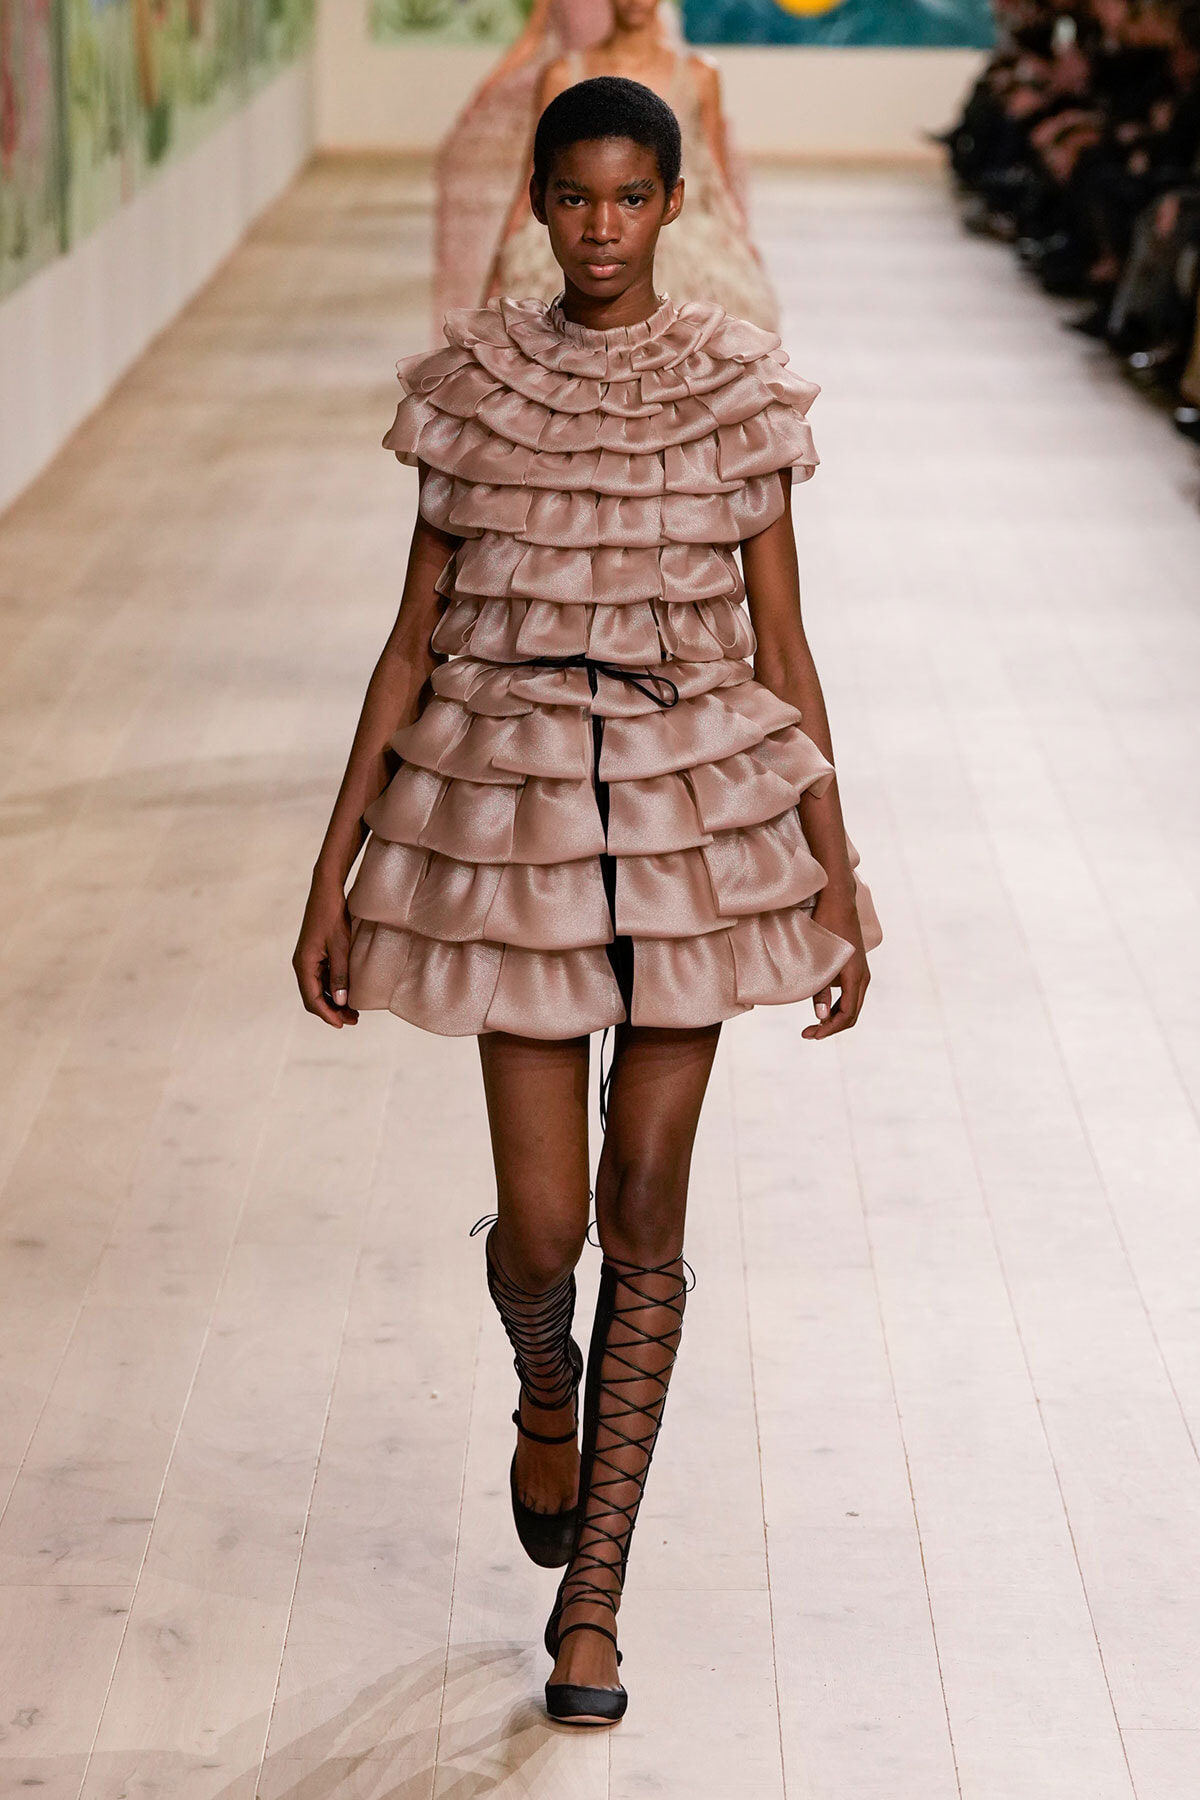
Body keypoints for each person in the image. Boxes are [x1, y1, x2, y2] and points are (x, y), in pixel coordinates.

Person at [294, 75, 879, 1728]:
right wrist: (331, 870)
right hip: (521, 822)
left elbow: (785, 644)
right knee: (544, 1227)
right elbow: (412, 644)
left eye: (633, 199)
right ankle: (541, 1385)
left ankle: (593, 1610)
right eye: (576, 198)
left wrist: (841, 871)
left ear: (675, 205)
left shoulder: (733, 391)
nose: (604, 227)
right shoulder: (477, 393)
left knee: (647, 1204)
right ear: (538, 205)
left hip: (699, 819)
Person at [486, 0, 780, 329]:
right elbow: (535, 173)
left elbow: (717, 177)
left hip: (686, 237)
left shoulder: (700, 74)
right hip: (580, 228)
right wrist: (502, 258)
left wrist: (742, 246)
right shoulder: (561, 74)